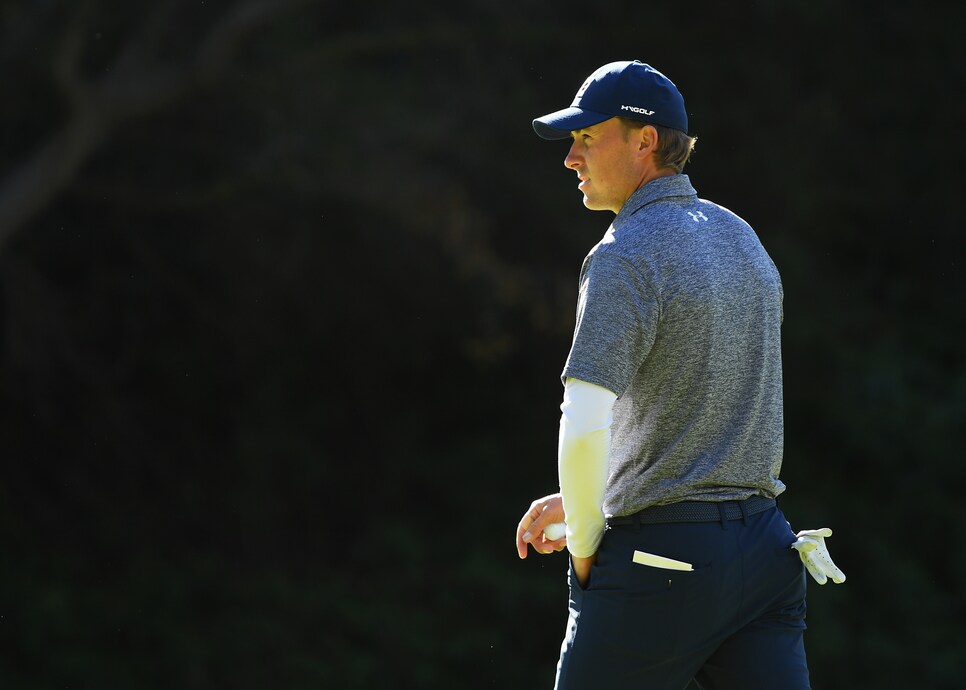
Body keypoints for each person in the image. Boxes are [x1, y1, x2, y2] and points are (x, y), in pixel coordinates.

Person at [513, 60, 844, 690]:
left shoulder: (622, 256)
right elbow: (700, 416)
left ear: (644, 140)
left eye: (588, 138)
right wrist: (607, 493)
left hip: (661, 563)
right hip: (766, 555)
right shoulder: (741, 237)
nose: (570, 159)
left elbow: (583, 427)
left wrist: (586, 545)